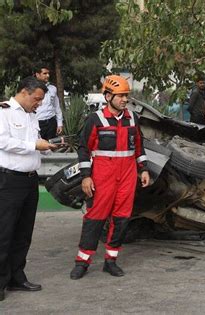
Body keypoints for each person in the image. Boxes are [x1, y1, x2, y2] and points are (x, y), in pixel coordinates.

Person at [70, 75, 151, 280]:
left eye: (126, 96)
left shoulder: (133, 118)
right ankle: (82, 262)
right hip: (102, 176)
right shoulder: (95, 119)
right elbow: (83, 149)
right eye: (120, 96)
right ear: (107, 96)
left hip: (127, 176)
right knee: (95, 218)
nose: (125, 99)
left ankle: (111, 261)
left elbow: (139, 147)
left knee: (122, 219)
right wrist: (86, 177)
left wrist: (143, 169)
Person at [0, 77, 57, 301]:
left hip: (30, 180)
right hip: (9, 182)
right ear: (24, 92)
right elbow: (3, 142)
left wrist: (46, 147)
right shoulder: (3, 111)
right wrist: (34, 145)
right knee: (4, 233)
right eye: (37, 99)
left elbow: (36, 142)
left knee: (23, 233)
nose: (39, 104)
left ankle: (16, 277)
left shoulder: (32, 116)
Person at [34, 65, 64, 140]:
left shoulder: (53, 88)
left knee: (51, 147)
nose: (47, 75)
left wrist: (59, 124)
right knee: (38, 147)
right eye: (44, 73)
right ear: (37, 75)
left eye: (48, 73)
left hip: (51, 122)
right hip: (37, 123)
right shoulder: (32, 89)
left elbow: (57, 107)